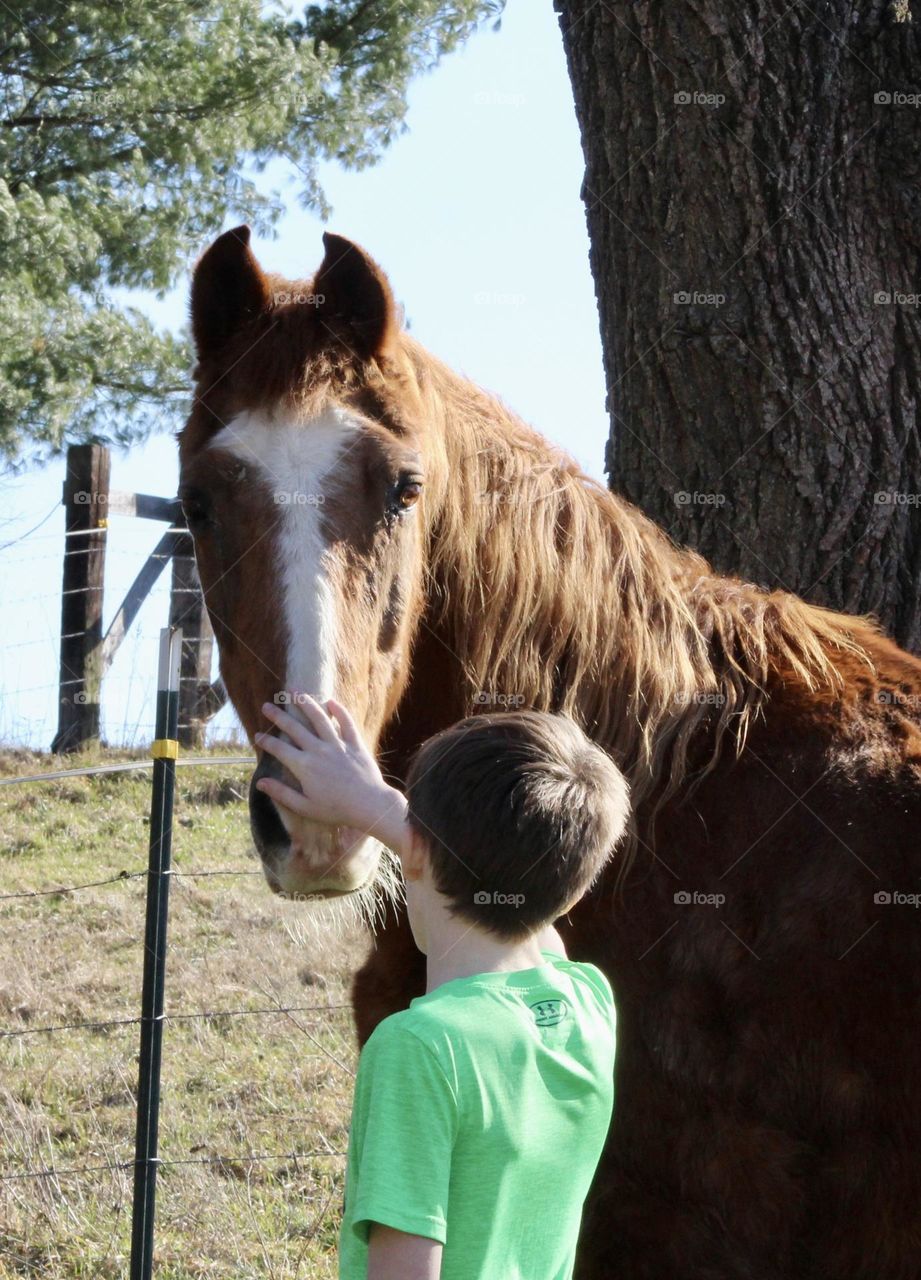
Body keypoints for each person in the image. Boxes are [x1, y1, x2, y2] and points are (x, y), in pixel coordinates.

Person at [255, 692, 630, 1280]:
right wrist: (386, 813)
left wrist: (384, 815)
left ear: (417, 854)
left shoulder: (420, 1052)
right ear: (575, 895)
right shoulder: (587, 1001)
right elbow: (530, 908)